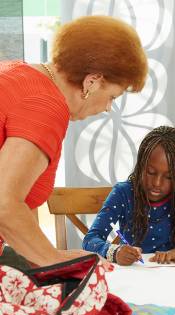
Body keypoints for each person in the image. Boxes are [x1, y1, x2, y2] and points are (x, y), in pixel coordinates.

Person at [0, 15, 147, 268]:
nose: (108, 108)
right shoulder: (46, 105)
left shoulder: (17, 75)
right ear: (92, 81)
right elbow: (5, 203)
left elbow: (20, 204)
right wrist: (55, 260)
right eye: (112, 96)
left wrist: (42, 258)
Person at [83, 126, 175, 265]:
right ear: (140, 166)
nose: (157, 183)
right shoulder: (123, 193)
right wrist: (114, 251)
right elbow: (90, 240)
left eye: (170, 177)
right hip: (135, 277)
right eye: (151, 172)